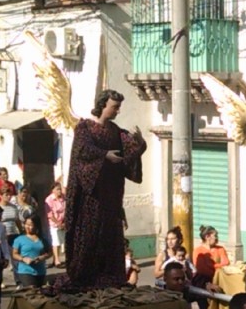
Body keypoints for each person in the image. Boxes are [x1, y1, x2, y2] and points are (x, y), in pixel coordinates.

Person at [62, 90, 147, 290]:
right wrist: (104, 155)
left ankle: (110, 277)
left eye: (118, 107)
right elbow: (82, 151)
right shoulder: (85, 128)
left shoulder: (115, 131)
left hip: (111, 196)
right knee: (90, 237)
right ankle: (84, 278)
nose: (118, 111)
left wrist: (140, 144)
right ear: (102, 105)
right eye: (114, 107)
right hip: (91, 197)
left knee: (110, 237)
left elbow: (129, 153)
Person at [12, 216, 52, 288]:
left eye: (31, 225)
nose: (28, 227)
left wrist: (42, 257)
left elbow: (50, 252)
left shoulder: (43, 239)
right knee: (31, 290)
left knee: (40, 291)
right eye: (26, 224)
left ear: (36, 226)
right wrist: (23, 259)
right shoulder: (19, 239)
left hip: (40, 271)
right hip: (25, 270)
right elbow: (14, 254)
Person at [0, 186, 21, 288]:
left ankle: (18, 280)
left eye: (9, 195)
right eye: (6, 195)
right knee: (2, 259)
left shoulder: (13, 207)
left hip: (13, 234)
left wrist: (21, 232)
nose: (8, 197)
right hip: (2, 236)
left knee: (15, 258)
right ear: (0, 196)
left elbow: (17, 221)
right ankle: (0, 280)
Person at [45, 182, 66, 268]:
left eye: (60, 189)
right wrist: (58, 223)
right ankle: (57, 261)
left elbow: (66, 210)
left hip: (63, 222)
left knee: (61, 241)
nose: (59, 191)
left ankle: (55, 259)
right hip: (54, 223)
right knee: (55, 241)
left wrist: (64, 222)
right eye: (57, 189)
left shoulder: (64, 198)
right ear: (53, 190)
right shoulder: (49, 199)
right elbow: (50, 214)